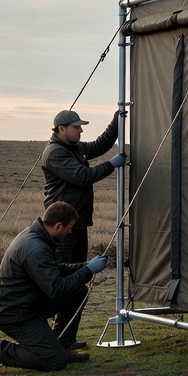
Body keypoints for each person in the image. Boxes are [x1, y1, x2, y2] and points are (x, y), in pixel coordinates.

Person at [0, 202, 109, 373]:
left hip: (29, 304)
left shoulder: (39, 236)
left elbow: (53, 272)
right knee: (55, 360)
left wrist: (84, 266)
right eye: (70, 227)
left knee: (78, 291)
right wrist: (89, 271)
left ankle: (61, 344)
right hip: (14, 314)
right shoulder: (35, 248)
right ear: (58, 226)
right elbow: (57, 288)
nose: (70, 232)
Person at [42, 109, 125, 265]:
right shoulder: (54, 152)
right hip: (62, 224)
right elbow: (83, 176)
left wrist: (116, 122)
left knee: (78, 268)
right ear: (61, 129)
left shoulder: (74, 147)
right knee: (63, 269)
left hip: (76, 222)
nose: (81, 130)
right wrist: (111, 164)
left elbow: (100, 145)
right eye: (76, 127)